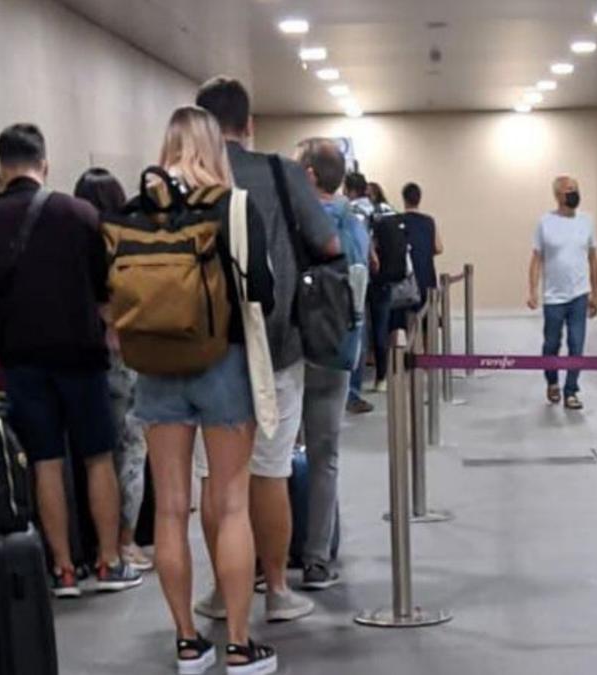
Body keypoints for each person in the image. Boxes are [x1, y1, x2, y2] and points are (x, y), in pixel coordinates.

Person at [0, 125, 137, 598]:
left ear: (2, 166)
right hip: (80, 353)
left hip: (21, 357)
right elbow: (107, 288)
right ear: (45, 162)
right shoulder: (78, 214)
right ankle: (108, 561)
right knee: (98, 456)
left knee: (45, 461)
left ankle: (62, 569)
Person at [133, 105, 277, 675]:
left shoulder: (136, 208)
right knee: (232, 503)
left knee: (171, 509)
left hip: (156, 366)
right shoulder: (234, 206)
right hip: (224, 363)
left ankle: (188, 643)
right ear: (214, 147)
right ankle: (240, 646)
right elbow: (261, 287)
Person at [194, 76, 339, 624]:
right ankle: (276, 588)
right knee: (270, 470)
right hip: (275, 341)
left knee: (215, 478)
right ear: (248, 125)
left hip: (203, 348)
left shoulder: (188, 178)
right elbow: (326, 242)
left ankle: (219, 589)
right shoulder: (280, 171)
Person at [297, 139, 369, 590]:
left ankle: (271, 560)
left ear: (307, 175)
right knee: (325, 459)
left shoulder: (292, 219)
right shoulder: (356, 222)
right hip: (338, 350)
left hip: (292, 349)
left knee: (274, 457)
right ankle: (317, 559)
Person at [74, 168, 153, 571]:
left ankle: (94, 543)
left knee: (94, 454)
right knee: (132, 451)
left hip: (82, 357)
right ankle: (126, 542)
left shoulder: (71, 242)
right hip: (126, 353)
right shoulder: (127, 240)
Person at [527, 176, 597, 411]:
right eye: (569, 190)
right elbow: (536, 259)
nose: (574, 193)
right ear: (558, 195)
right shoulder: (545, 223)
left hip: (579, 294)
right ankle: (552, 382)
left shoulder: (587, 222)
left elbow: (593, 259)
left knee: (576, 343)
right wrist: (532, 291)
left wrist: (596, 293)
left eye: (576, 189)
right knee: (551, 343)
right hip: (553, 297)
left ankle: (571, 390)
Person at [343, 172, 378, 412]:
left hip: (344, 275)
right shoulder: (377, 209)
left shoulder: (346, 210)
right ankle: (352, 393)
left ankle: (348, 392)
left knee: (348, 332)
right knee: (359, 329)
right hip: (364, 274)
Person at [395, 182, 444, 335]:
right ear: (419, 199)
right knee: (427, 325)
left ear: (404, 199)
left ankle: (411, 357)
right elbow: (438, 248)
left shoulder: (398, 221)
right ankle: (427, 357)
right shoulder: (429, 221)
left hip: (406, 279)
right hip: (426, 277)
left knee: (409, 324)